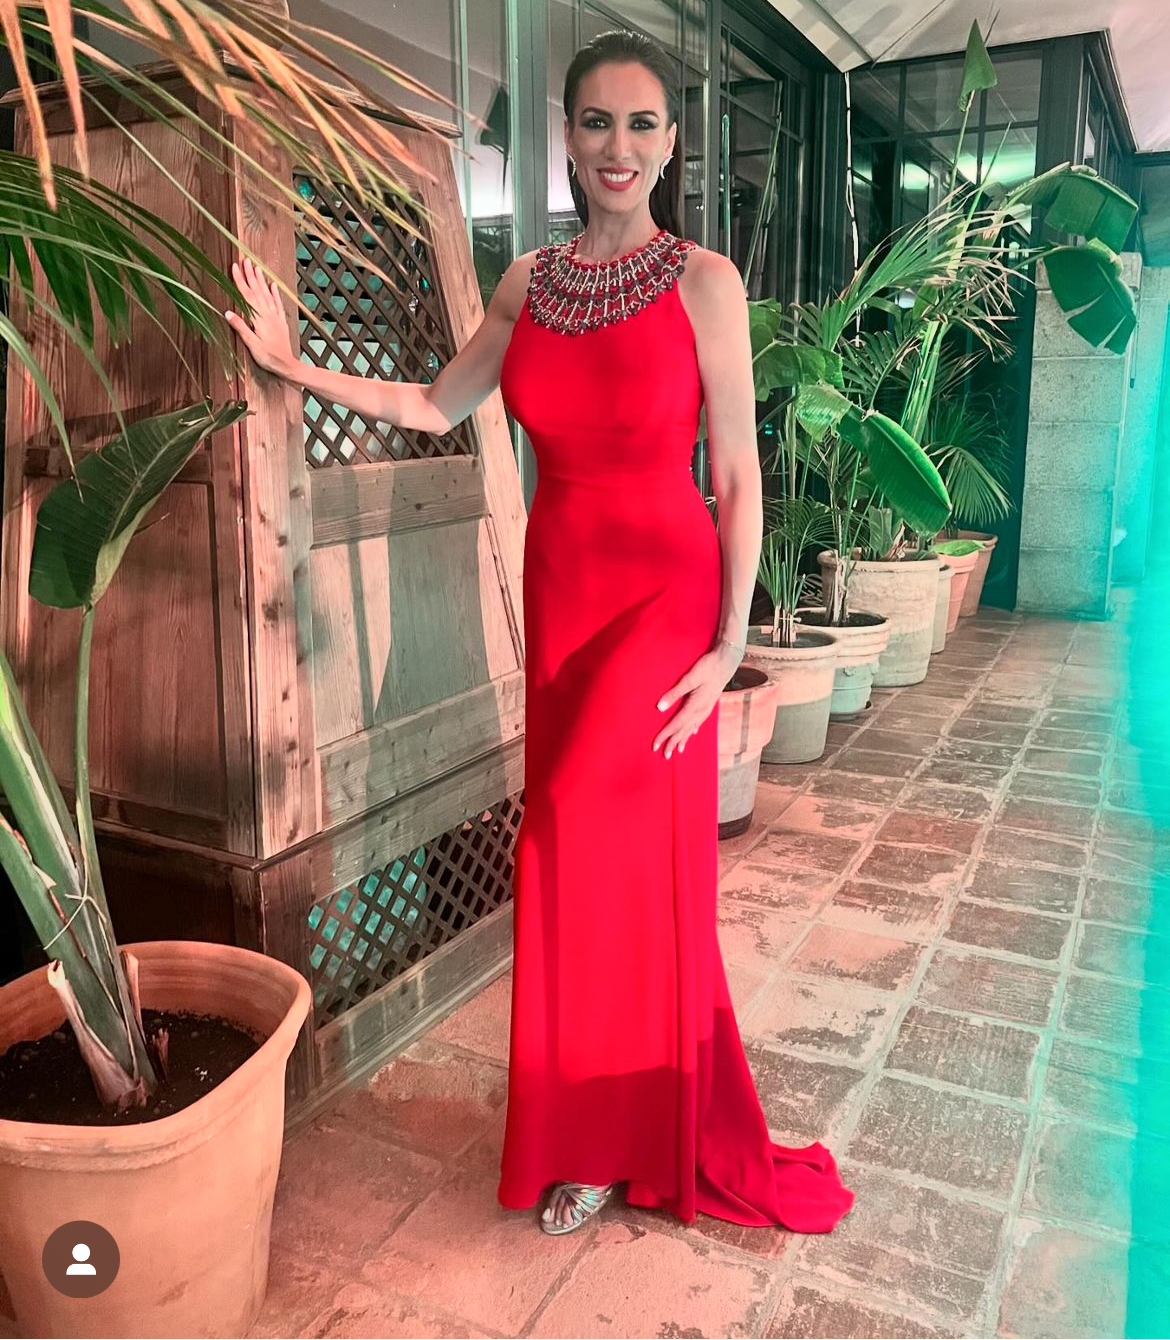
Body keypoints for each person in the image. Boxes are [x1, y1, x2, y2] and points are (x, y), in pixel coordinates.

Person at [225, 27, 854, 1239]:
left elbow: (737, 474)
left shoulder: (707, 283)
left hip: (663, 598)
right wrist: (290, 363)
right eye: (597, 121)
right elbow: (433, 403)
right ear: (566, 136)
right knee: (582, 870)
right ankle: (597, 1129)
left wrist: (730, 643)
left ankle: (625, 1130)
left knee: (579, 835)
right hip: (563, 599)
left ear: (670, 143)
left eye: (642, 123)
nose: (619, 145)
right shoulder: (527, 284)